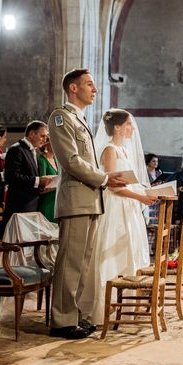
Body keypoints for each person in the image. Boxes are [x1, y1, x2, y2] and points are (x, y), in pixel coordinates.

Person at [48, 68, 127, 339]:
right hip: (75, 201)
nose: (94, 89)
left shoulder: (80, 119)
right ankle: (61, 321)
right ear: (73, 88)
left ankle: (77, 315)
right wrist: (104, 178)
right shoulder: (61, 117)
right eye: (89, 84)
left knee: (83, 264)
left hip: (90, 200)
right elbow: (71, 161)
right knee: (70, 262)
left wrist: (103, 181)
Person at [78, 109, 157, 325]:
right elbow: (112, 187)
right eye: (129, 124)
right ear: (118, 127)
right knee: (110, 255)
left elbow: (129, 182)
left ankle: (127, 304)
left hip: (128, 207)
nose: (132, 128)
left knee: (128, 252)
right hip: (115, 208)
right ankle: (103, 308)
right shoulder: (109, 150)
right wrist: (140, 198)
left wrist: (146, 193)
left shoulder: (125, 150)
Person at [1, 120, 54, 235]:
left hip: (31, 204)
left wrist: (42, 184)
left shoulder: (32, 151)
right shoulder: (16, 149)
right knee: (17, 244)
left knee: (28, 245)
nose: (45, 140)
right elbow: (11, 177)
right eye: (42, 136)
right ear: (31, 134)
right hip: (19, 206)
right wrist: (38, 180)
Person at [37, 137, 58, 222]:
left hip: (56, 200)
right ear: (46, 144)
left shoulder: (56, 159)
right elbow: (42, 185)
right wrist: (58, 186)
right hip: (47, 201)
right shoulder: (42, 160)